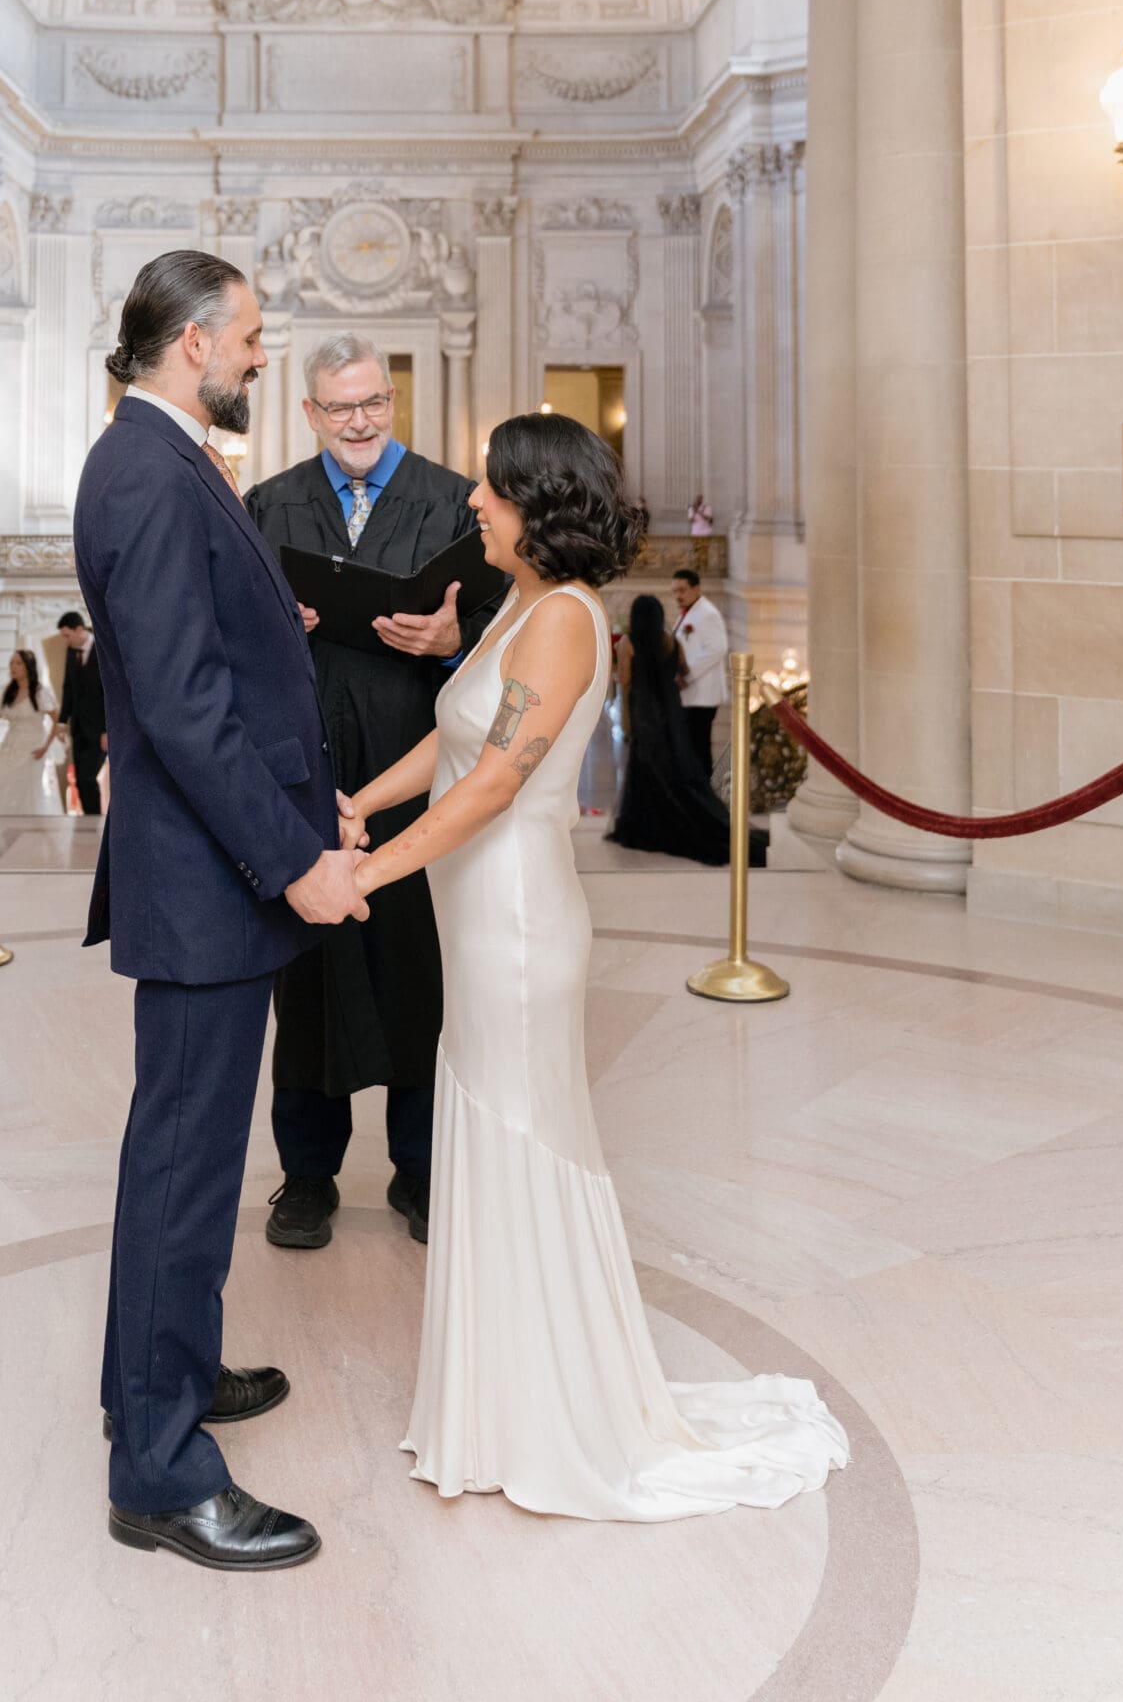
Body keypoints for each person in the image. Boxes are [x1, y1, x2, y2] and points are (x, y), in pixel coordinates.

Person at [341, 415, 845, 1521]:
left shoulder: (566, 622)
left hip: (516, 923)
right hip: (475, 915)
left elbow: (492, 787)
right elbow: (454, 741)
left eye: (494, 489)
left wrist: (366, 873)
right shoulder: (512, 605)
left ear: (542, 505)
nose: (474, 501)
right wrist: (361, 802)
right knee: (489, 1128)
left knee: (523, 1135)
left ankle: (552, 1412)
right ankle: (500, 1398)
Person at [75, 248, 369, 1574]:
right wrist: (292, 858)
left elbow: (208, 654)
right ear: (191, 341)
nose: (261, 354)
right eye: (248, 336)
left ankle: (163, 1376)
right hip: (203, 885)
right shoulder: (144, 466)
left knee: (188, 1162)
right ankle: (157, 1468)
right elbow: (184, 711)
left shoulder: (165, 457)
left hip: (212, 880)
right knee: (184, 1167)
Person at [246, 333, 506, 1253]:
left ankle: (422, 1171)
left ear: (392, 403)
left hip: (417, 768)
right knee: (306, 973)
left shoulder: (453, 500)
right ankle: (306, 1178)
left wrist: (447, 642)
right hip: (307, 780)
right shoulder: (269, 505)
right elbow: (230, 635)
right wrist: (282, 625)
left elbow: (507, 639)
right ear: (308, 412)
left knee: (418, 971)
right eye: (337, 407)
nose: (357, 423)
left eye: (372, 405)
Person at [606, 595, 766, 866]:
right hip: (671, 713)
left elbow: (624, 679)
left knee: (646, 769)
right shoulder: (671, 641)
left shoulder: (628, 643)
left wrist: (625, 715)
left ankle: (647, 825)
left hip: (644, 714)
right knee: (673, 768)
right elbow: (683, 671)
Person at [0, 647, 63, 817]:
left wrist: (45, 747)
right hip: (10, 744)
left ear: (28, 667)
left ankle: (28, 825)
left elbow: (56, 720)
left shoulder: (39, 692)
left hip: (33, 746)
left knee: (27, 787)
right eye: (11, 663)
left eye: (18, 663)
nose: (13, 667)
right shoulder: (10, 691)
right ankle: (3, 823)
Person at [672, 565, 728, 775]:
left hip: (703, 695)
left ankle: (702, 790)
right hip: (691, 695)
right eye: (675, 591)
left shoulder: (707, 614)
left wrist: (688, 674)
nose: (678, 595)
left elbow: (717, 648)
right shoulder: (689, 613)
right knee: (692, 746)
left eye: (682, 590)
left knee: (699, 747)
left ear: (696, 589)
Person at [55, 610, 107, 814]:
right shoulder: (71, 652)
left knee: (88, 778)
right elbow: (68, 689)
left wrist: (108, 730)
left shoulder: (103, 649)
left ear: (80, 630)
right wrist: (61, 723)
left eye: (67, 635)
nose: (65, 641)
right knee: (79, 780)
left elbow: (112, 695)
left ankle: (95, 821)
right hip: (78, 728)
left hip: (100, 731)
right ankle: (88, 822)